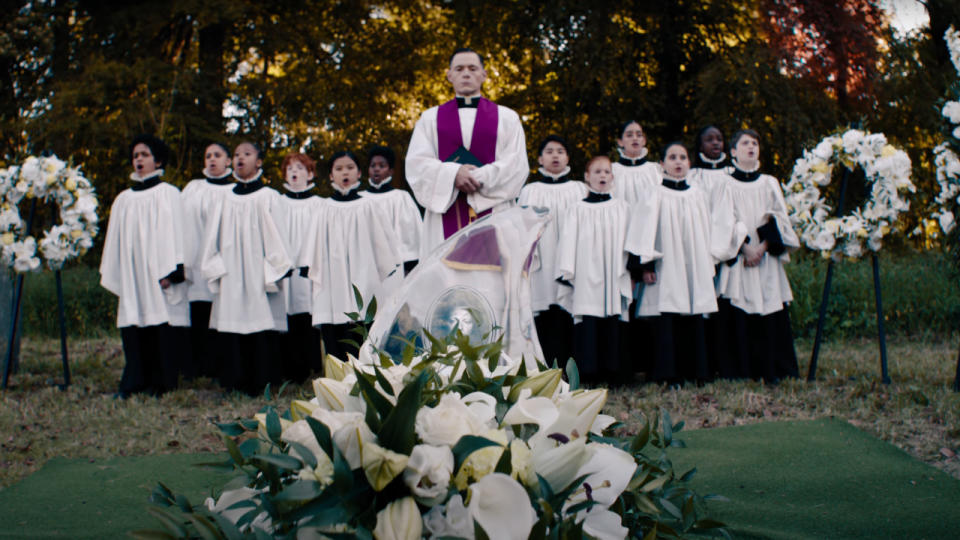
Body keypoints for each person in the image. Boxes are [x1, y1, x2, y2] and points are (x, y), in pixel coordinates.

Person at [625, 142, 738, 384]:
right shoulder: (654, 193)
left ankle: (696, 371)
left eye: (683, 157)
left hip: (693, 265)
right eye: (672, 157)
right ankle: (667, 374)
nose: (678, 162)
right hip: (665, 267)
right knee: (666, 317)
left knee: (693, 313)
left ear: (689, 163)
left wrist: (710, 260)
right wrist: (645, 266)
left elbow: (709, 229)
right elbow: (642, 231)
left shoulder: (698, 194)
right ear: (663, 164)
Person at [405, 48, 528, 258]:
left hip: (496, 214)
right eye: (459, 68)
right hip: (445, 217)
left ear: (484, 74)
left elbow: (516, 165)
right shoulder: (430, 119)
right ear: (449, 75)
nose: (466, 73)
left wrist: (475, 177)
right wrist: (453, 175)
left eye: (473, 68)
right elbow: (416, 164)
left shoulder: (507, 118)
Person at [100, 134, 189, 397]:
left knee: (159, 323)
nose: (139, 159)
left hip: (158, 271)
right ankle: (134, 381)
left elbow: (180, 232)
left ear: (158, 160)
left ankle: (160, 383)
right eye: (136, 155)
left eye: (145, 155)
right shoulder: (123, 199)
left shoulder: (169, 194)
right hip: (132, 272)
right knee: (134, 321)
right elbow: (114, 239)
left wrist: (174, 271)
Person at [200, 142, 292, 394]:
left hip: (258, 272)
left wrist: (278, 266)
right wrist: (214, 265)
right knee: (231, 322)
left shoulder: (269, 197)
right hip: (230, 271)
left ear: (259, 162)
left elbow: (279, 236)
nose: (241, 158)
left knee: (260, 322)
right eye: (237, 154)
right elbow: (211, 237)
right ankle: (233, 380)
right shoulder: (223, 198)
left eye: (247, 154)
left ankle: (261, 380)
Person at [712, 129, 800, 382]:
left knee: (770, 307)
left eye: (755, 143)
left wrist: (762, 247)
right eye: (745, 143)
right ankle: (742, 370)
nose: (751, 147)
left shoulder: (769, 182)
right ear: (733, 151)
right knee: (740, 309)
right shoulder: (725, 184)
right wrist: (744, 248)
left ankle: (775, 369)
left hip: (766, 258)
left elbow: (780, 218)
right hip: (740, 258)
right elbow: (721, 222)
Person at [300, 150, 401, 361]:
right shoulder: (323, 209)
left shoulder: (368, 206)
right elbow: (313, 247)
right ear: (330, 175)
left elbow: (383, 245)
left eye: (349, 168)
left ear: (359, 173)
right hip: (332, 278)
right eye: (338, 169)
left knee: (363, 324)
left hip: (362, 275)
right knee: (334, 329)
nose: (344, 173)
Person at [555, 155, 631, 384]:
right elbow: (568, 240)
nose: (602, 176)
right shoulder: (577, 209)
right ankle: (588, 372)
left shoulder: (622, 207)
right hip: (586, 272)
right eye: (597, 172)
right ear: (587, 177)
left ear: (613, 177)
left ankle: (614, 373)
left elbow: (629, 240)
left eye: (607, 172)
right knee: (588, 318)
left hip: (614, 270)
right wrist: (568, 270)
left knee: (613, 316)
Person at [518, 134, 586, 365]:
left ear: (568, 158)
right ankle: (546, 365)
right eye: (549, 151)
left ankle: (573, 364)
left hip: (572, 260)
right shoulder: (530, 190)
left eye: (560, 151)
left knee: (570, 309)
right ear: (539, 159)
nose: (555, 155)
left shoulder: (579, 189)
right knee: (545, 310)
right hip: (542, 262)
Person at [181, 142, 235, 379]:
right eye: (208, 155)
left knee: (222, 315)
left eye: (218, 155)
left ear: (229, 161)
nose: (212, 159)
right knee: (199, 313)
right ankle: (197, 367)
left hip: (226, 264)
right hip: (195, 260)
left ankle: (221, 366)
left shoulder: (235, 191)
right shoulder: (193, 188)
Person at [275, 152, 324, 382]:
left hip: (309, 267)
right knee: (288, 311)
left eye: (300, 168)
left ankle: (313, 364)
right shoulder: (277, 203)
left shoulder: (319, 204)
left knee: (309, 312)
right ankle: (289, 369)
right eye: (290, 168)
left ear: (310, 173)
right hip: (286, 266)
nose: (294, 172)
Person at [360, 145, 423, 302]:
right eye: (373, 165)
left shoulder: (400, 198)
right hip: (365, 263)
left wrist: (409, 262)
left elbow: (409, 232)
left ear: (391, 171)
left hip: (394, 265)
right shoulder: (359, 199)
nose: (376, 169)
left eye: (382, 166)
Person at [611, 120, 660, 204]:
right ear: (620, 142)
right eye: (629, 135)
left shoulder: (655, 170)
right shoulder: (612, 171)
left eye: (639, 135)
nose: (635, 138)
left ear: (644, 141)